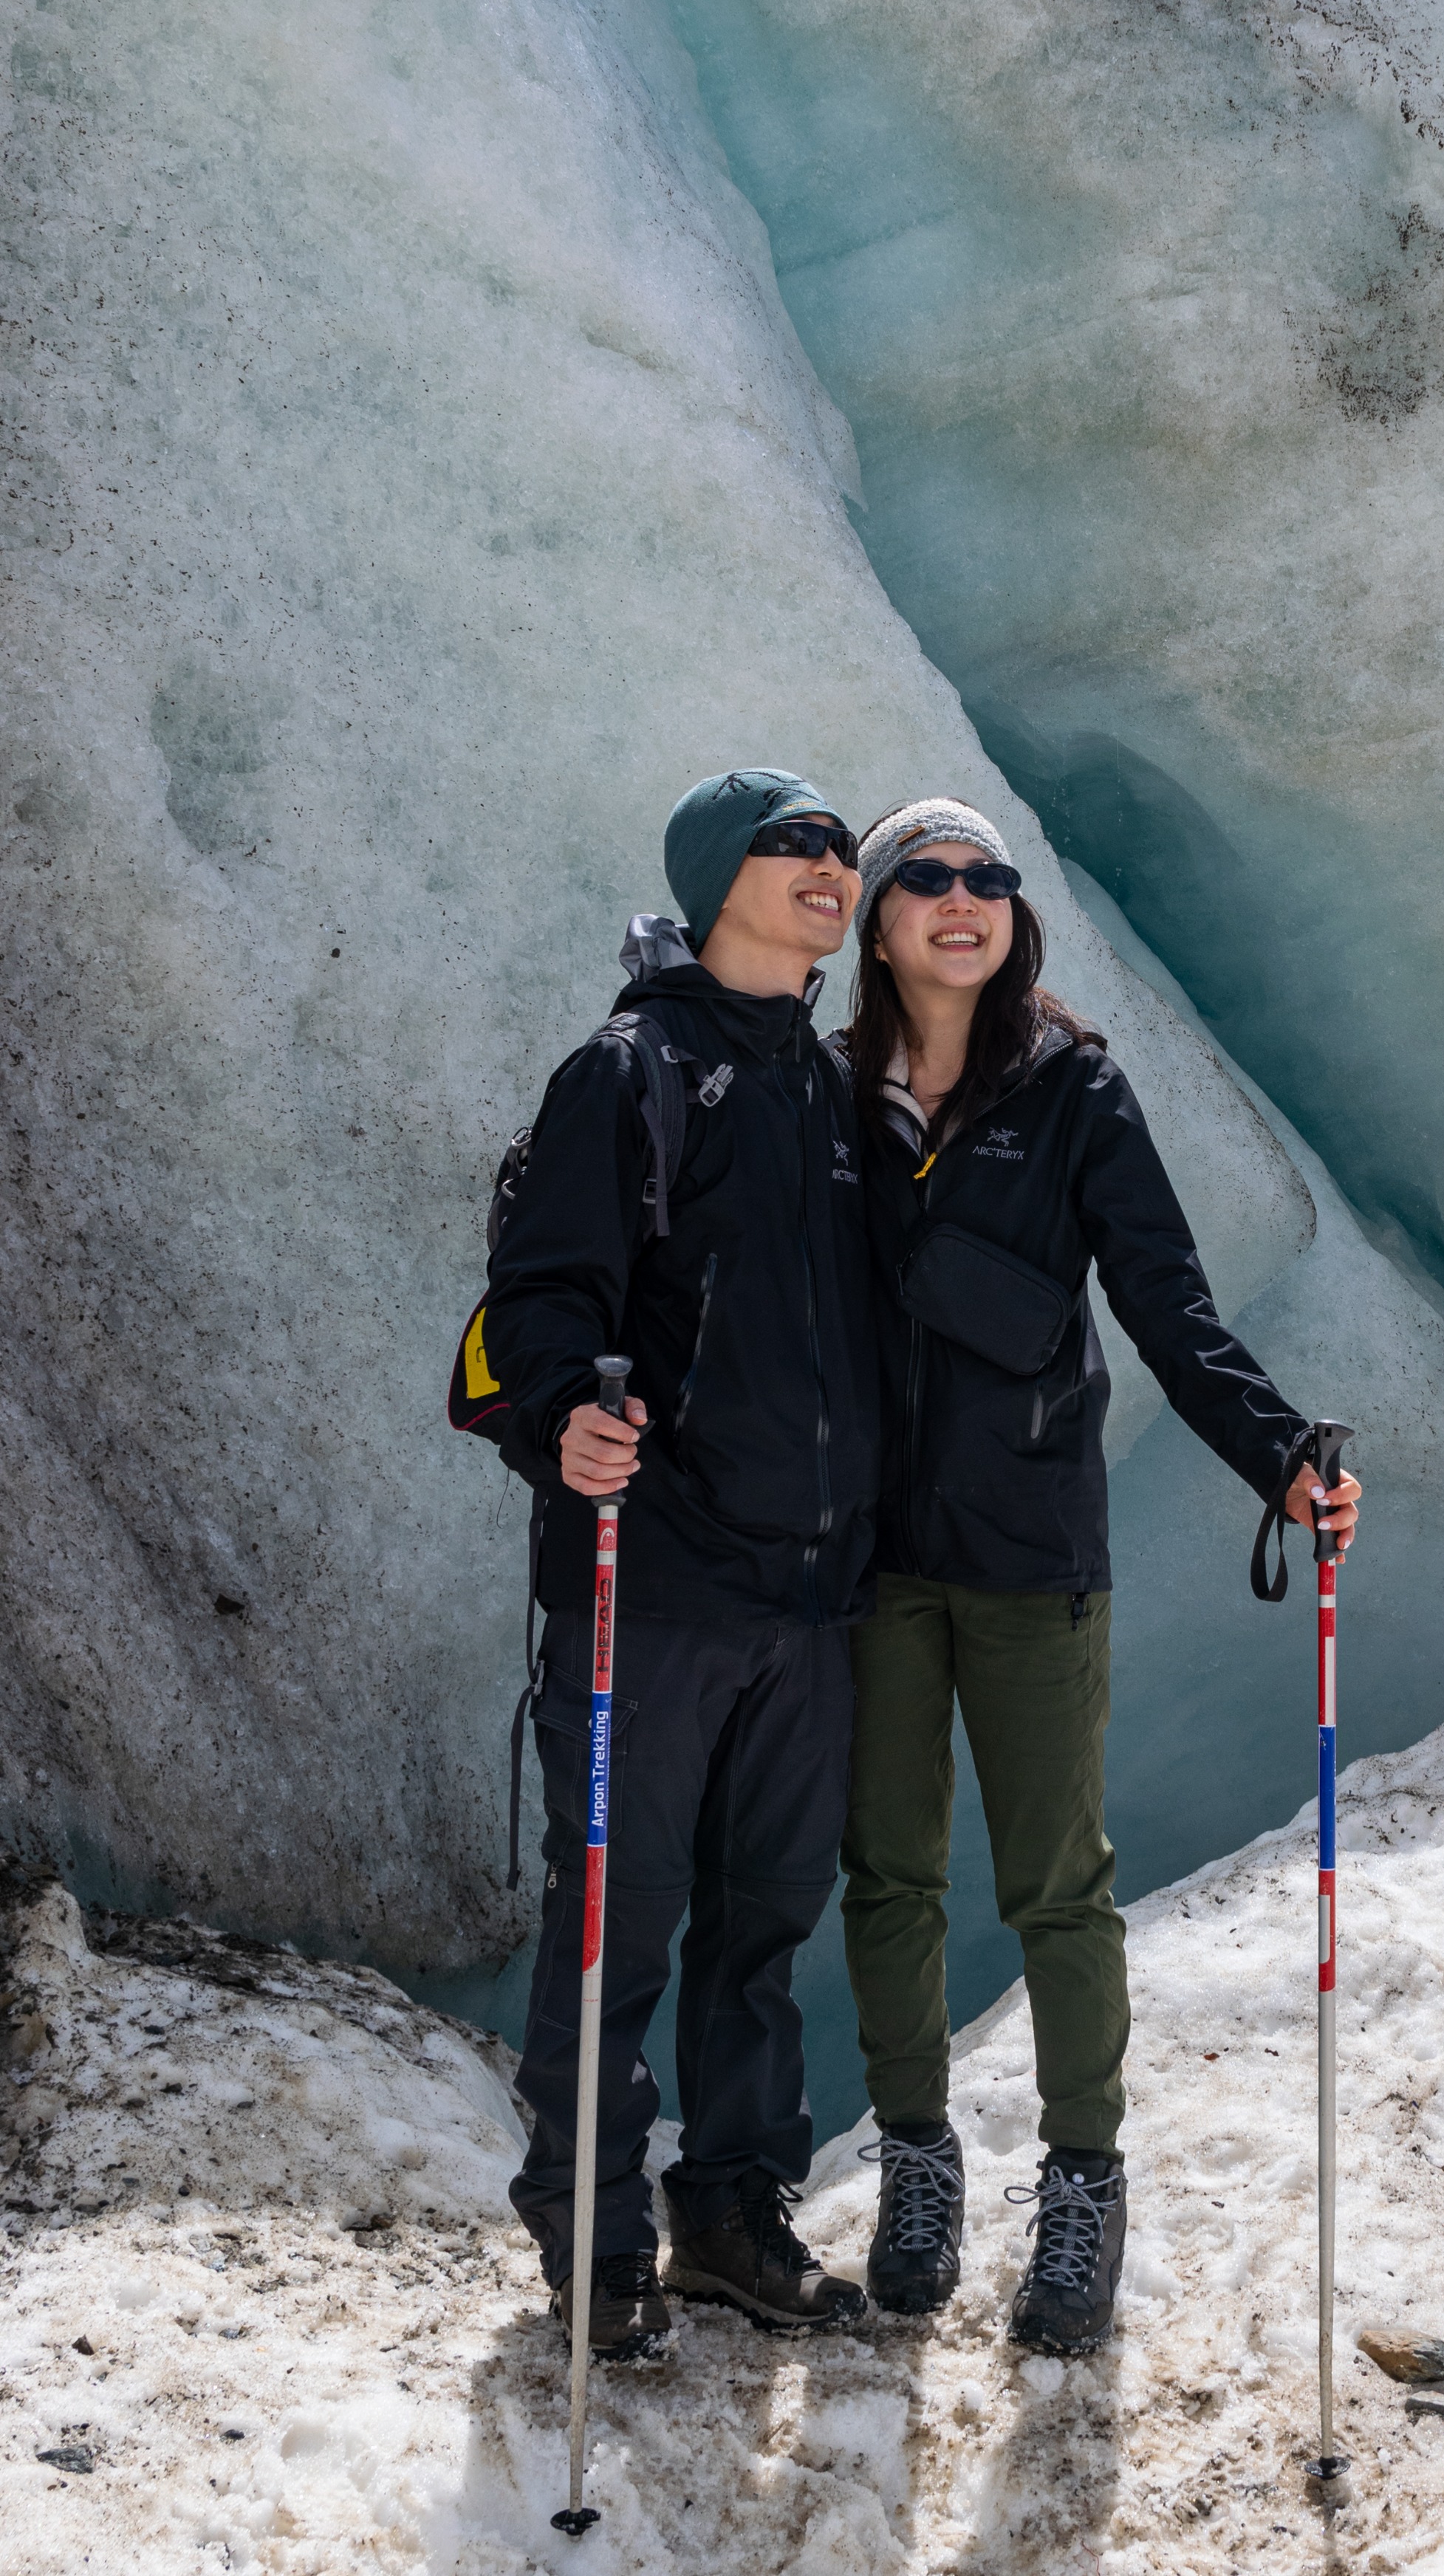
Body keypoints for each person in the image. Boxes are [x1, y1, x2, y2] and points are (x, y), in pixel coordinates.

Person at [835, 795, 1360, 2355]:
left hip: (1028, 1549)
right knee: (889, 1875)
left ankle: (1082, 2186)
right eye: (923, 878)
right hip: (868, 1553)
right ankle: (916, 2162)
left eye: (986, 878)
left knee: (1058, 1882)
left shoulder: (1074, 1095)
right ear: (874, 917)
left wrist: (1282, 1454)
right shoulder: (827, 1094)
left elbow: (1167, 1305)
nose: (959, 899)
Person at [472, 767, 881, 2357]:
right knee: (620, 1917)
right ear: (716, 880)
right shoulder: (632, 1072)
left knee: (763, 1922)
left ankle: (730, 2211)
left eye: (840, 847)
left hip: (811, 1595)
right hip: (655, 1578)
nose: (828, 869)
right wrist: (572, 1414)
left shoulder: (835, 1090)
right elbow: (539, 1302)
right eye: (791, 847)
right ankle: (593, 2237)